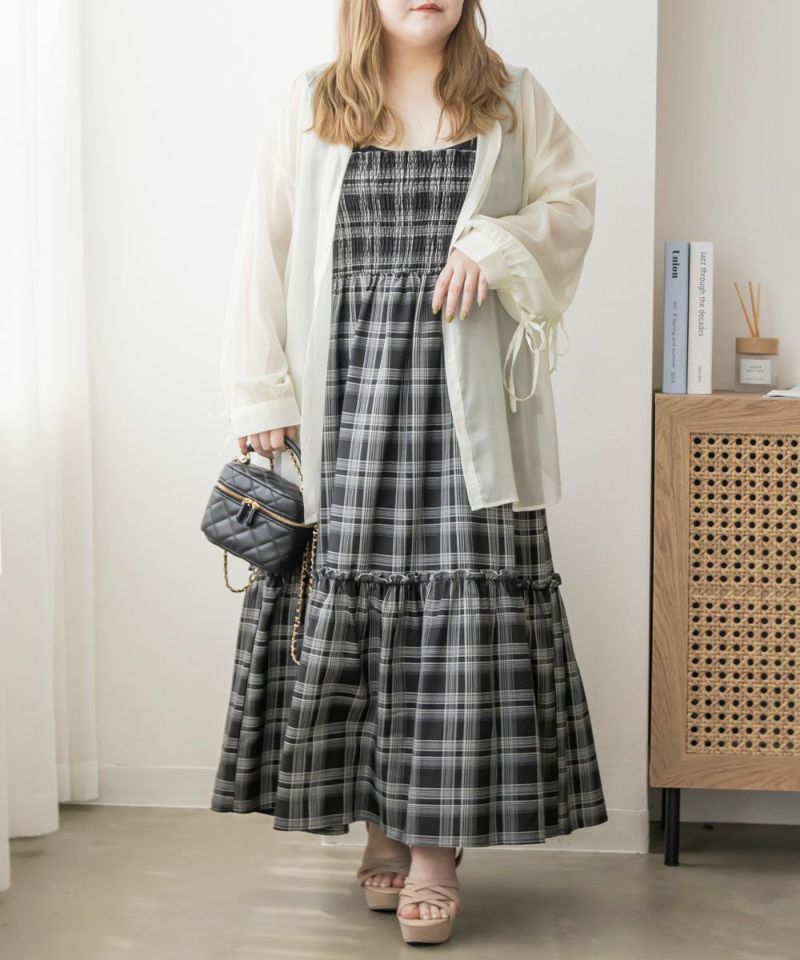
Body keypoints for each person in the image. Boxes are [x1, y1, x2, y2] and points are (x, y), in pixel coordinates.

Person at [208, 0, 608, 946]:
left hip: (469, 413)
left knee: (453, 632)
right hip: (347, 397)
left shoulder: (511, 99)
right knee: (362, 616)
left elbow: (572, 206)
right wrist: (259, 392)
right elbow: (263, 249)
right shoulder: (313, 102)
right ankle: (382, 828)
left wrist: (491, 245)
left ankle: (433, 852)